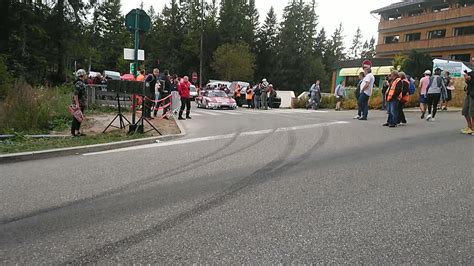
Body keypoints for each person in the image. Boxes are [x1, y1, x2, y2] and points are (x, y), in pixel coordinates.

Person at [71, 69, 88, 137]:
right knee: (76, 118)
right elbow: (76, 94)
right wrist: (77, 104)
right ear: (82, 75)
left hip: (82, 103)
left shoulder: (82, 82)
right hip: (79, 103)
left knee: (80, 118)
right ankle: (73, 132)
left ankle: (77, 131)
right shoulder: (79, 83)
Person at [461, 71, 474, 135]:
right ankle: (469, 126)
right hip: (469, 93)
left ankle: (473, 128)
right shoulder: (471, 71)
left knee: (472, 112)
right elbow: (469, 82)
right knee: (465, 110)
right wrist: (466, 79)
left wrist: (470, 79)